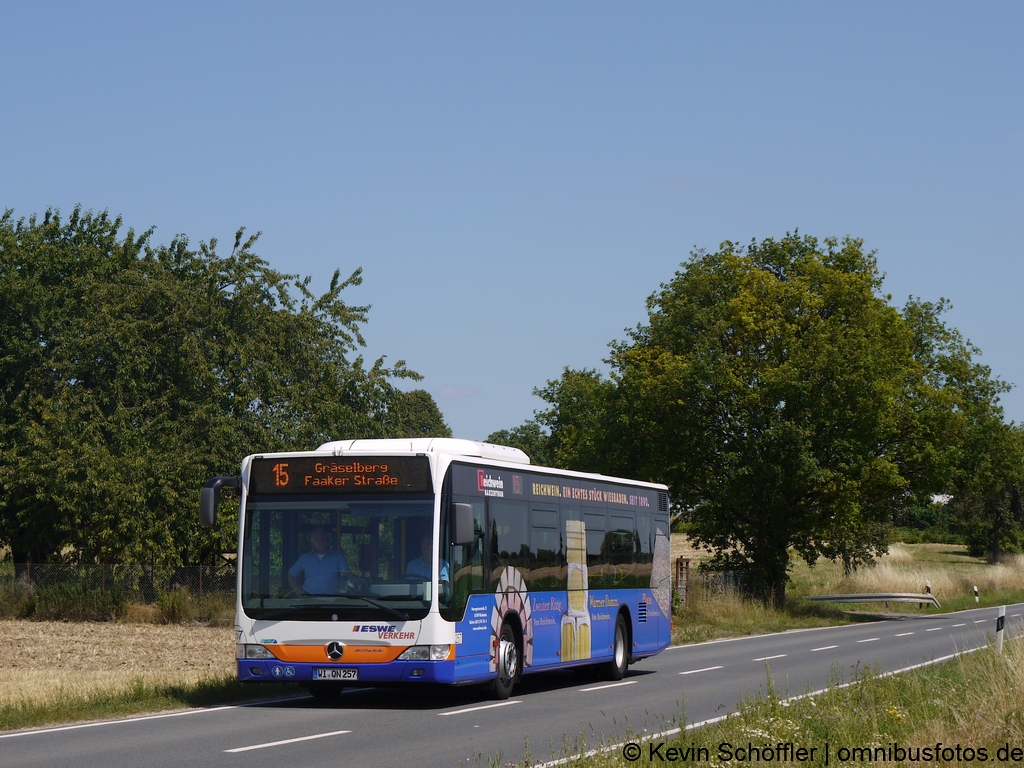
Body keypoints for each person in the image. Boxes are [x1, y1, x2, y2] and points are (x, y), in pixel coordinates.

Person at [288, 527, 351, 595]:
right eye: (317, 540)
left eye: (322, 539)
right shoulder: (305, 558)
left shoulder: (338, 557)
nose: (320, 542)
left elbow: (347, 574)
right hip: (308, 598)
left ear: (327, 540)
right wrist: (298, 591)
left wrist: (344, 591)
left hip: (332, 600)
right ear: (313, 542)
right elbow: (291, 575)